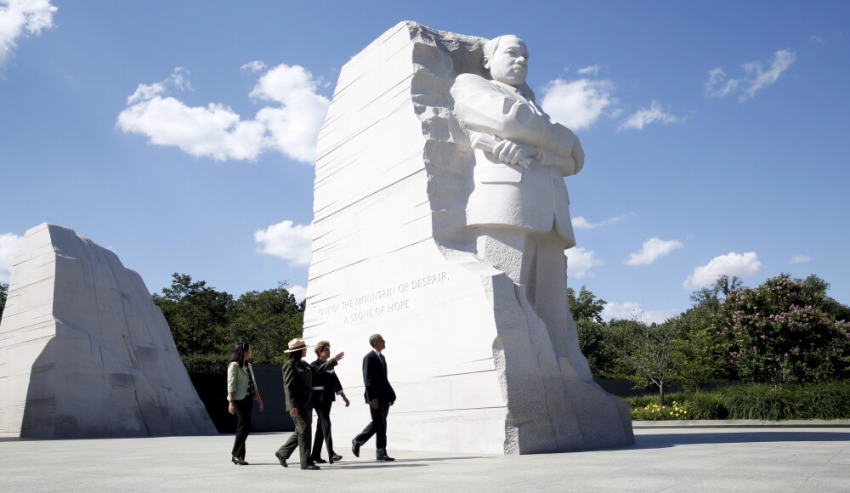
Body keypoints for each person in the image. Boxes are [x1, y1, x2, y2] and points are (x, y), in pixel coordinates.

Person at [450, 35, 590, 379]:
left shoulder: (535, 107)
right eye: (513, 53)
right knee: (505, 296)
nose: (522, 61)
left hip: (552, 213)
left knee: (553, 309)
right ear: (488, 60)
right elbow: (511, 121)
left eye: (526, 56)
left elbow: (575, 158)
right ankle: (518, 376)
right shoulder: (472, 84)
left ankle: (562, 378)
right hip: (506, 204)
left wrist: (547, 146)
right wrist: (558, 140)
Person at [275, 338, 344, 470]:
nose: (306, 350)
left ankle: (282, 453)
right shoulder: (289, 366)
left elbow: (318, 369)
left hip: (307, 404)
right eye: (304, 348)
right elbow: (288, 388)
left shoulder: (303, 364)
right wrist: (292, 406)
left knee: (301, 431)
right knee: (305, 430)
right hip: (298, 405)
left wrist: (333, 361)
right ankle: (306, 462)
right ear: (298, 351)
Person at [351, 334, 396, 461]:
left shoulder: (382, 357)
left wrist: (391, 395)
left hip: (384, 397)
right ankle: (358, 440)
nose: (384, 342)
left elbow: (384, 380)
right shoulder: (369, 358)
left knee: (383, 424)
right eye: (382, 340)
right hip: (375, 397)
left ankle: (381, 452)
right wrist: (372, 398)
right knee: (378, 422)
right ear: (375, 343)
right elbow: (368, 380)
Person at [310, 340, 350, 464]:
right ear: (319, 352)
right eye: (326, 350)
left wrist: (344, 397)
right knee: (326, 423)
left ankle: (315, 455)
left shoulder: (330, 366)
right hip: (318, 398)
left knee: (321, 426)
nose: (328, 352)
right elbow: (318, 372)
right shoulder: (314, 364)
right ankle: (331, 453)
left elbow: (336, 382)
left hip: (327, 398)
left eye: (329, 350)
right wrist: (334, 360)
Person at [226, 342, 264, 465]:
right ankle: (236, 453)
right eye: (249, 350)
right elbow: (231, 384)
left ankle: (239, 456)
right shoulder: (234, 366)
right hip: (238, 399)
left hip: (248, 399)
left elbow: (254, 384)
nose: (251, 352)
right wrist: (231, 403)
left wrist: (259, 400)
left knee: (241, 427)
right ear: (244, 352)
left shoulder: (249, 366)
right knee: (246, 425)